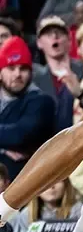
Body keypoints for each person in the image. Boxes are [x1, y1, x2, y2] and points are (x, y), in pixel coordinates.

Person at [0, 37, 57, 180]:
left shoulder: (41, 101)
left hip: (23, 183)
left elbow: (20, 135)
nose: (18, 74)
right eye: (11, 68)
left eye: (23, 68)